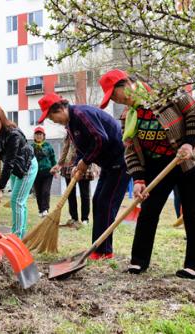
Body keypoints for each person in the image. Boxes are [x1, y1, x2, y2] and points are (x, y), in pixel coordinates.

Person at [99, 69, 195, 279]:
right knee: (148, 211)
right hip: (156, 165)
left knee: (194, 213)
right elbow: (130, 150)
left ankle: (194, 265)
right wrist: (138, 178)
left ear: (125, 85)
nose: (116, 100)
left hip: (187, 160)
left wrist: (188, 142)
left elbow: (194, 112)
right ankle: (138, 261)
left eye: (114, 95)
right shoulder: (127, 116)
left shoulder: (167, 93)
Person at [38, 93, 129, 260]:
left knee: (106, 203)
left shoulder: (80, 114)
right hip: (108, 164)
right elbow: (83, 147)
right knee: (97, 201)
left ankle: (105, 251)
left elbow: (101, 139)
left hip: (120, 162)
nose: (52, 120)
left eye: (52, 116)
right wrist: (77, 164)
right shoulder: (70, 124)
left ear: (60, 108)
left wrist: (85, 162)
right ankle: (97, 247)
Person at [0, 102, 38, 239]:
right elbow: (5, 157)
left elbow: (9, 163)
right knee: (19, 202)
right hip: (16, 168)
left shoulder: (13, 135)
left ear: (1, 119)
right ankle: (21, 235)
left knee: (16, 201)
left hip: (26, 167)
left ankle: (17, 238)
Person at [51, 135, 94, 228]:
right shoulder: (68, 134)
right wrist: (59, 164)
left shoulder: (84, 131)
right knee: (70, 193)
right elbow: (65, 150)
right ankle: (74, 217)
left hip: (83, 164)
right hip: (69, 165)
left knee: (85, 194)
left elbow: (92, 148)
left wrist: (94, 164)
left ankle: (85, 219)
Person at [31, 126, 56, 218]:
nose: (38, 136)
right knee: (38, 192)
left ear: (44, 136)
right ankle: (40, 210)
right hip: (35, 173)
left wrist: (55, 169)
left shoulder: (48, 146)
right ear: (34, 136)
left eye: (40, 134)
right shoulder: (31, 147)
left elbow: (53, 158)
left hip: (47, 172)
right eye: (37, 134)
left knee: (45, 191)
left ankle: (45, 209)